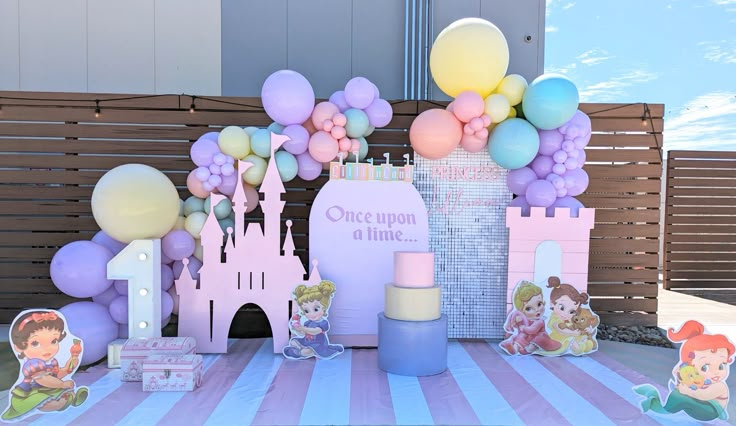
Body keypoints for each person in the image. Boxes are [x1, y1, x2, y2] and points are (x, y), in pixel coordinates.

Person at [634, 320, 734, 421]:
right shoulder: (697, 378)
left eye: (721, 366)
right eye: (705, 368)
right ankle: (655, 400)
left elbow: (703, 395)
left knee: (680, 397)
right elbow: (680, 374)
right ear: (690, 366)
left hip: (710, 412)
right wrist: (681, 374)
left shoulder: (719, 386)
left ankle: (658, 407)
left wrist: (686, 390)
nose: (716, 372)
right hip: (699, 406)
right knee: (678, 394)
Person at [2, 310, 88, 421]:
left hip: (48, 388)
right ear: (19, 346)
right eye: (35, 343)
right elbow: (43, 379)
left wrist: (69, 365)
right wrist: (62, 384)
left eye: (53, 341)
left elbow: (57, 375)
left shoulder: (52, 362)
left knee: (61, 391)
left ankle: (71, 397)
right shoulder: (33, 364)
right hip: (30, 392)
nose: (47, 348)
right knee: (44, 402)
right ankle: (64, 401)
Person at [283, 280, 344, 360]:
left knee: (308, 351)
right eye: (306, 311)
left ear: (324, 308)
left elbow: (315, 331)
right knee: (293, 341)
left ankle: (299, 352)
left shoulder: (323, 323)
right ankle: (298, 349)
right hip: (306, 342)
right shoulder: (308, 322)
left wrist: (302, 328)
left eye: (316, 309)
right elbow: (302, 334)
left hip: (318, 345)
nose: (311, 314)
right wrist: (297, 329)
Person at [499, 281, 560, 355]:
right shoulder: (525, 319)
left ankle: (528, 350)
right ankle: (514, 348)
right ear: (522, 310)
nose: (537, 310)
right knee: (520, 336)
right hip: (528, 336)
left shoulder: (540, 321)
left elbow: (533, 330)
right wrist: (517, 322)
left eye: (539, 304)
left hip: (539, 337)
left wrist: (524, 328)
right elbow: (518, 327)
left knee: (536, 340)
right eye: (528, 308)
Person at [544, 276, 596, 355]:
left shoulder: (572, 318)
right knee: (571, 341)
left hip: (574, 336)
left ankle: (586, 346)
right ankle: (578, 348)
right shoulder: (555, 317)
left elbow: (579, 325)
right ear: (552, 303)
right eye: (561, 308)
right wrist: (572, 333)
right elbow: (558, 328)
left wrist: (588, 330)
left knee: (584, 339)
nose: (566, 314)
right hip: (559, 339)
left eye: (571, 311)